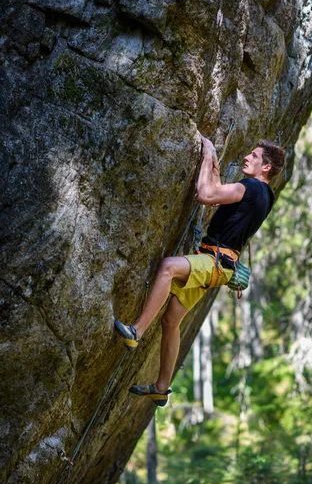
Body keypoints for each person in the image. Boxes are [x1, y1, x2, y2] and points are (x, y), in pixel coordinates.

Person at [114, 134, 285, 406]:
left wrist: (207, 156)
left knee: (168, 267)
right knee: (171, 322)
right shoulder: (266, 195)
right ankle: (161, 387)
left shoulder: (251, 186)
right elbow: (220, 194)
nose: (246, 157)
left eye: (253, 156)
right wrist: (214, 167)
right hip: (220, 266)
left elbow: (206, 195)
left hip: (213, 262)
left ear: (266, 167)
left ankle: (137, 331)